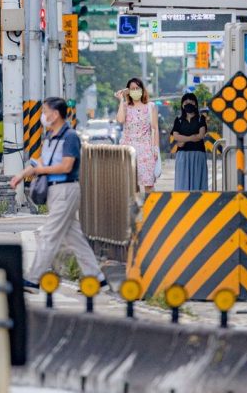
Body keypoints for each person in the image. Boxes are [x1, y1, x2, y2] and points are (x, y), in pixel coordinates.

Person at [10, 97, 107, 292]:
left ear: (55, 114)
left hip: (65, 189)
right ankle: (97, 279)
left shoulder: (70, 136)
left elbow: (66, 165)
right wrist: (22, 175)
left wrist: (40, 171)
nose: (42, 116)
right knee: (75, 237)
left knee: (49, 234)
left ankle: (33, 278)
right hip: (55, 191)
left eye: (45, 112)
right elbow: (41, 162)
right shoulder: (50, 136)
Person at [116, 78, 159, 193]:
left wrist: (156, 149)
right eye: (132, 89)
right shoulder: (125, 106)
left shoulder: (151, 106)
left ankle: (151, 209)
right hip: (129, 150)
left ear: (142, 90)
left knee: (148, 184)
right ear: (128, 91)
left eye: (137, 88)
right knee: (132, 185)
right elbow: (120, 119)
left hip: (146, 150)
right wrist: (121, 99)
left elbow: (155, 128)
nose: (135, 91)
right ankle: (135, 210)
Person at [170, 93, 208, 191]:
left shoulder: (201, 118)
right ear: (182, 105)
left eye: (191, 101)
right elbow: (175, 136)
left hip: (198, 154)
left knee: (197, 182)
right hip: (182, 155)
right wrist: (192, 137)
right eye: (186, 102)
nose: (188, 103)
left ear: (195, 104)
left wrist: (183, 140)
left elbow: (201, 135)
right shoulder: (178, 120)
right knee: (182, 183)